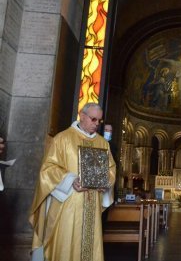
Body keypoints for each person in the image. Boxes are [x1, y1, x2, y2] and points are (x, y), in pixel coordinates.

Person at [29, 102, 116, 261]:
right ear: (82, 116)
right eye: (93, 119)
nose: (96, 124)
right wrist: (70, 180)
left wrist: (105, 181)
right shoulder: (63, 138)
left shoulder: (103, 143)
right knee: (66, 246)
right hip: (68, 206)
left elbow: (111, 169)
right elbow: (48, 168)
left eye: (99, 121)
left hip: (92, 205)